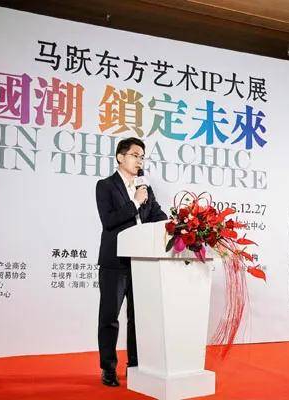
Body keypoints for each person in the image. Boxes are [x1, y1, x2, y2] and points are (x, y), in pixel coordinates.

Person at [95, 137, 167, 387]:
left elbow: (157, 216)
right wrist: (135, 202)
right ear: (120, 157)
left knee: (138, 318)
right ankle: (108, 368)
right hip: (115, 263)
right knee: (109, 317)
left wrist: (178, 226)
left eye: (142, 157)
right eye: (135, 155)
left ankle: (136, 365)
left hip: (141, 262)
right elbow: (109, 221)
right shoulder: (105, 186)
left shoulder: (145, 188)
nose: (140, 161)